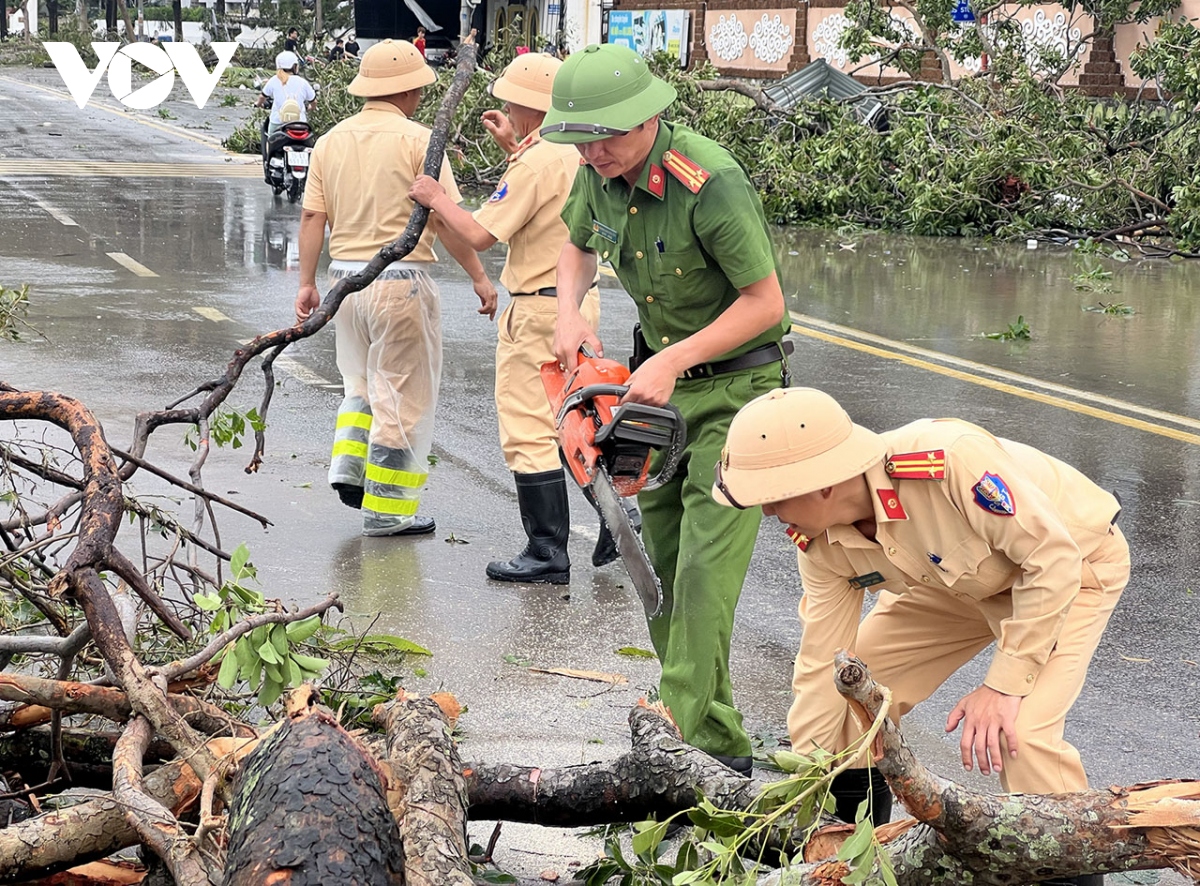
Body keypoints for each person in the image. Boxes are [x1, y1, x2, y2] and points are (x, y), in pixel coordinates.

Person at [713, 388, 1126, 886]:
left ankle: (1064, 874)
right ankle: (855, 865)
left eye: (773, 497)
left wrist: (1002, 687)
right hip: (955, 588)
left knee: (1024, 733)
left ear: (821, 483)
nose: (767, 514)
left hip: (1070, 568)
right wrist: (812, 773)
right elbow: (826, 660)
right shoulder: (817, 541)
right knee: (849, 706)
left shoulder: (946, 461)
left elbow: (1052, 561)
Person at [542, 43, 792, 774]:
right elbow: (575, 248)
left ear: (650, 117)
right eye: (581, 141)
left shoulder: (709, 181)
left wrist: (674, 358)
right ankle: (716, 744)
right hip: (656, 397)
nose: (595, 153)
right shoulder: (599, 175)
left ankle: (676, 740)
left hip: (738, 392)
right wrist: (568, 312)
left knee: (709, 573)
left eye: (608, 137)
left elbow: (765, 303)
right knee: (659, 564)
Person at [408, 54, 619, 585]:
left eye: (510, 103)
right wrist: (515, 145)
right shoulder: (578, 152)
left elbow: (481, 232)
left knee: (528, 427)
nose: (504, 108)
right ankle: (620, 517)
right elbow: (546, 199)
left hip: (541, 309)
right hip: (578, 301)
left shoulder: (536, 161)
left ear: (528, 108)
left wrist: (435, 198)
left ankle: (546, 551)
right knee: (576, 417)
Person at [294, 39, 498, 537]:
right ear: (409, 90)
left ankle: (349, 468)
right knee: (402, 398)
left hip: (345, 282)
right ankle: (387, 509)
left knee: (360, 385)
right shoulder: (419, 142)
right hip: (401, 282)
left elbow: (312, 216)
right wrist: (478, 275)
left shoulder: (330, 141)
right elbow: (448, 222)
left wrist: (306, 283)